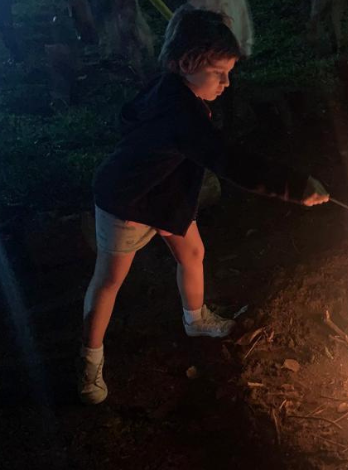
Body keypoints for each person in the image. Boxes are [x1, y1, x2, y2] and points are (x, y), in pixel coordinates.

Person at [78, 6, 329, 405]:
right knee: (109, 282)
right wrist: (294, 187)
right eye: (219, 73)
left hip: (166, 195)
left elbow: (136, 119)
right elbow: (229, 160)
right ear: (188, 63)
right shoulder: (182, 115)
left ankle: (195, 320)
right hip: (126, 201)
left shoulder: (175, 89)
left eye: (228, 72)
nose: (227, 83)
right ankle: (90, 361)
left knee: (193, 252)